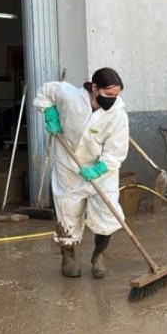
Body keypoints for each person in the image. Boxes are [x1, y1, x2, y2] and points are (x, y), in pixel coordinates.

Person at [33, 68, 129, 278]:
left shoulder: (118, 115)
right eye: (108, 95)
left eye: (116, 95)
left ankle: (98, 256)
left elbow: (117, 149)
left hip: (102, 171)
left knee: (107, 214)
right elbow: (46, 91)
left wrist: (100, 168)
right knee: (67, 213)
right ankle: (68, 257)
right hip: (69, 165)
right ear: (94, 88)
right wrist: (49, 111)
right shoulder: (70, 96)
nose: (113, 100)